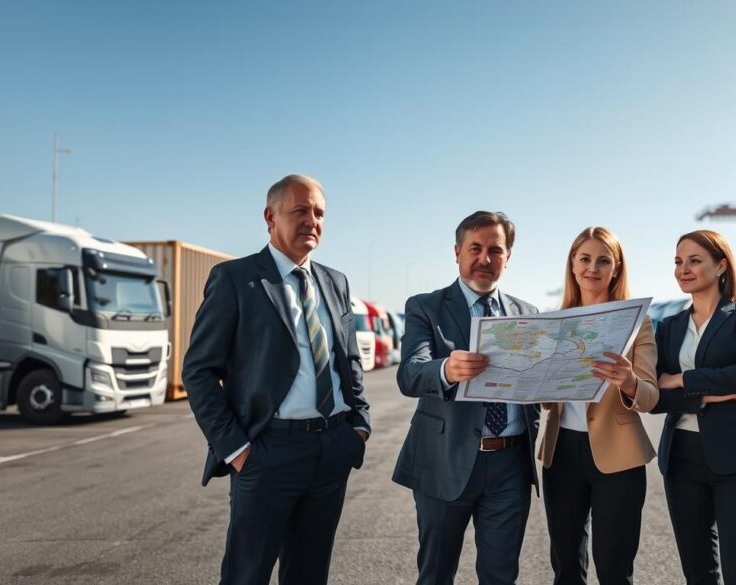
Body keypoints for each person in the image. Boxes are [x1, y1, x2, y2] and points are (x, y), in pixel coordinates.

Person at [183, 174, 370, 585]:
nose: (312, 221)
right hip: (268, 453)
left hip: (331, 447)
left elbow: (349, 359)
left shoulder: (335, 282)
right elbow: (197, 370)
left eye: (319, 213)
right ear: (270, 217)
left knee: (309, 575)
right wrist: (235, 448)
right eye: (300, 210)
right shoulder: (235, 279)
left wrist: (358, 425)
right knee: (246, 575)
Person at [392, 210, 539, 585]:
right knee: (436, 573)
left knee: (500, 576)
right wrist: (446, 369)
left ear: (508, 257)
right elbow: (410, 372)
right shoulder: (425, 307)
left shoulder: (528, 314)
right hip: (443, 461)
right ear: (457, 252)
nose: (484, 259)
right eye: (475, 248)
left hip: (510, 465)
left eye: (495, 250)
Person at [651, 229, 736, 585]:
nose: (683, 269)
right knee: (698, 573)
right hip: (681, 457)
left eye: (695, 261)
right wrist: (712, 392)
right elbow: (656, 396)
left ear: (720, 265)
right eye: (678, 262)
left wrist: (683, 379)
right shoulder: (669, 327)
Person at [537, 227, 659, 585]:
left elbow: (650, 396)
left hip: (619, 458)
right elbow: (545, 402)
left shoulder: (638, 322)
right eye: (585, 259)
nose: (593, 267)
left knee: (615, 569)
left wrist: (629, 381)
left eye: (603, 260)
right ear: (572, 265)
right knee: (566, 570)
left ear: (616, 268)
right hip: (560, 455)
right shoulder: (551, 324)